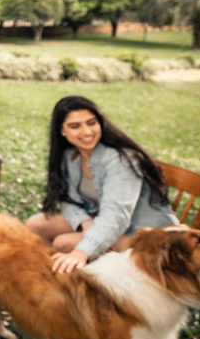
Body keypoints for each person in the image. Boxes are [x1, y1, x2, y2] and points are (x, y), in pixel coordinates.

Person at [26, 95, 178, 274]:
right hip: (102, 220)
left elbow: (117, 215)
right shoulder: (70, 155)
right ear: (62, 130)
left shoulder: (120, 159)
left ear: (101, 123)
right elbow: (67, 199)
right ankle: (48, 281)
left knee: (63, 243)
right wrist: (84, 222)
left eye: (91, 123)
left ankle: (77, 287)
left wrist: (81, 252)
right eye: (75, 126)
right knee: (36, 224)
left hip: (144, 233)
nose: (87, 131)